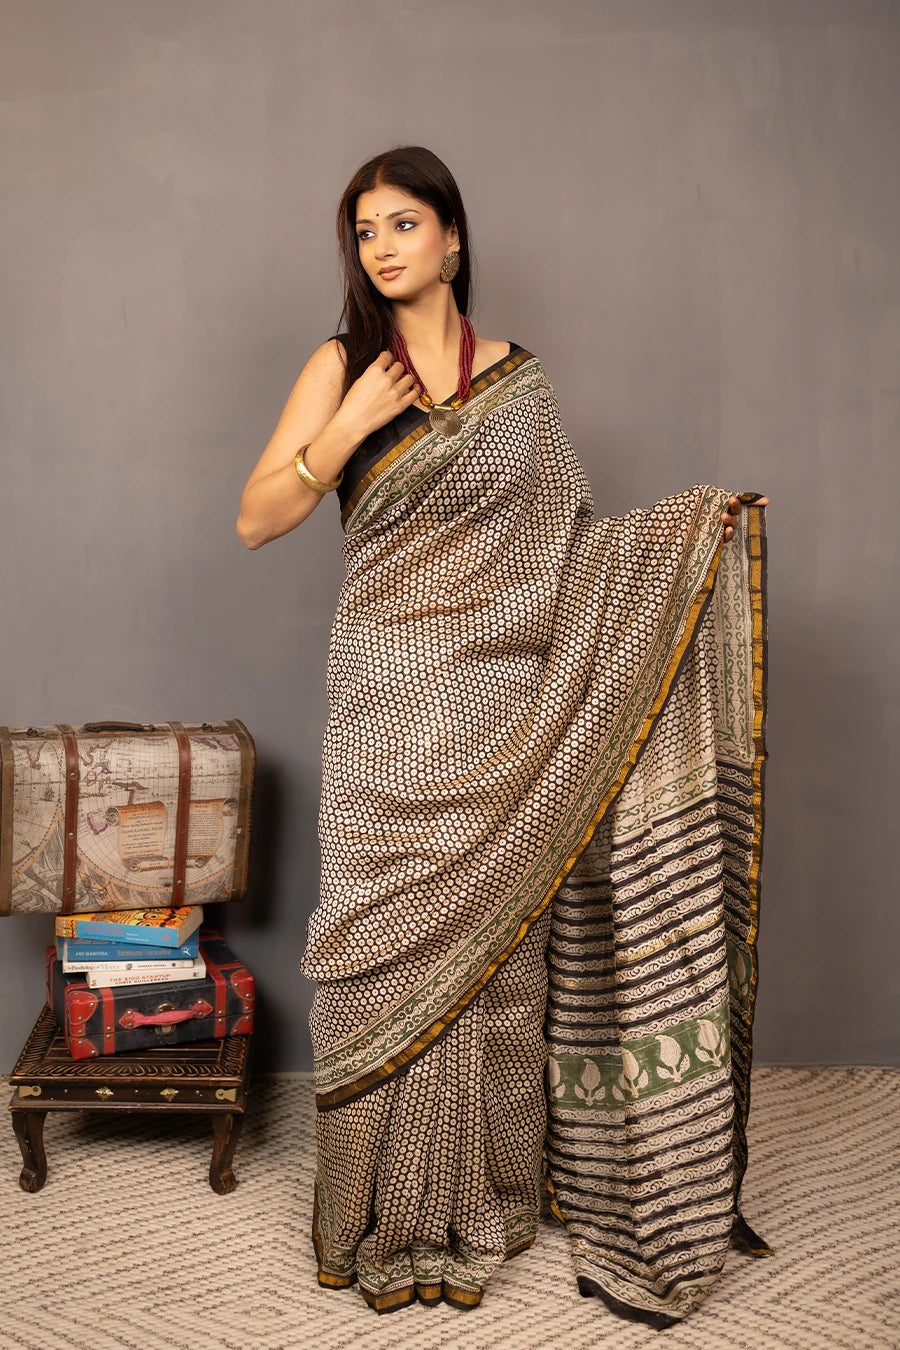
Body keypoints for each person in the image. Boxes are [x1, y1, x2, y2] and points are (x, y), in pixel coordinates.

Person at [237, 146, 771, 1326]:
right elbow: (257, 516)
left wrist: (690, 538)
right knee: (378, 944)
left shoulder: (521, 387)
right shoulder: (341, 364)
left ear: (454, 239)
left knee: (496, 952)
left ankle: (485, 1200)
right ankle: (370, 1217)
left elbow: (574, 548)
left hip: (499, 701)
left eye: (404, 223)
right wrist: (348, 428)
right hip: (385, 687)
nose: (382, 247)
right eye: (365, 230)